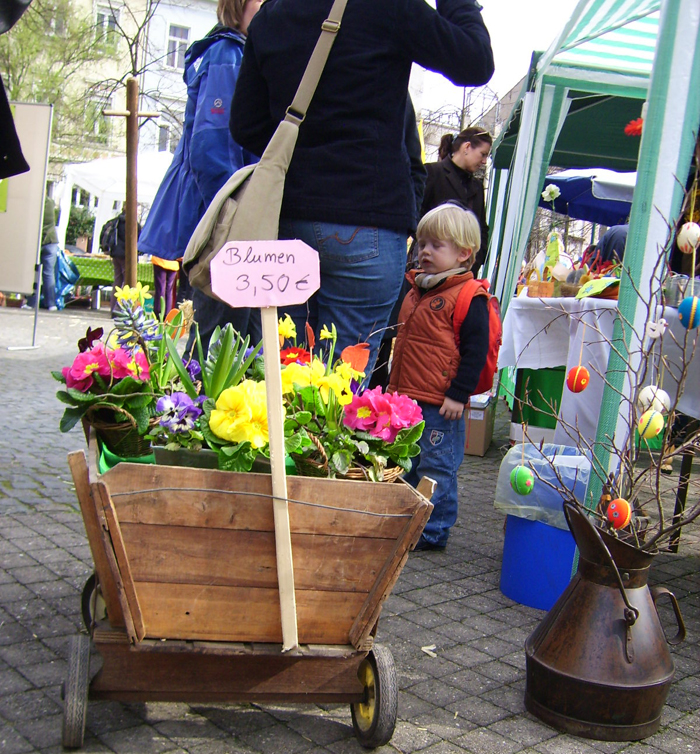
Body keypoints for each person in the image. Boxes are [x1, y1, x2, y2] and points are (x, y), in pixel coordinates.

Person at [230, 0, 494, 378]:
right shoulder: (387, 7)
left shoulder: (273, 14)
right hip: (367, 215)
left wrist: (301, 152)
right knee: (342, 388)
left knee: (283, 377)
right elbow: (474, 61)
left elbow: (245, 125)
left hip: (288, 219)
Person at [138, 0, 263, 350]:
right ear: (237, 6)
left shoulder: (240, 53)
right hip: (229, 217)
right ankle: (203, 403)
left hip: (237, 213)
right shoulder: (227, 55)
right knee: (220, 338)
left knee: (241, 335)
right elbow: (211, 149)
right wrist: (234, 216)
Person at [388, 204, 490, 551]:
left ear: (464, 253)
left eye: (436, 245)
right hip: (407, 398)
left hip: (440, 404)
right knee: (407, 463)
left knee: (437, 468)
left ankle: (433, 531)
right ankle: (408, 523)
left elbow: (475, 352)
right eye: (421, 244)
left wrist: (458, 394)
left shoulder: (467, 296)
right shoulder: (418, 289)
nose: (424, 252)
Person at [419, 127, 492, 277]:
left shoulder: (477, 186)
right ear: (466, 147)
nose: (484, 161)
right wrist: (432, 246)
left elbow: (482, 229)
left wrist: (475, 260)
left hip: (466, 271)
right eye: (483, 154)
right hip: (428, 269)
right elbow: (415, 216)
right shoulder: (432, 173)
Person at [25, 194, 59, 311]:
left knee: (33, 272)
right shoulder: (50, 203)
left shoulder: (34, 205)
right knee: (48, 273)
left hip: (37, 242)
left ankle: (31, 303)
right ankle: (51, 304)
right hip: (51, 241)